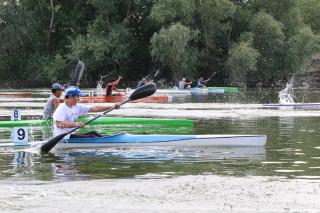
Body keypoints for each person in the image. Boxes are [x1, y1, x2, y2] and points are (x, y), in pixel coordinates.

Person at [52, 86, 120, 138]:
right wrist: (76, 124)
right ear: (70, 96)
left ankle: (107, 142)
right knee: (92, 137)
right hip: (63, 137)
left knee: (94, 133)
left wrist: (112, 106)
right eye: (77, 96)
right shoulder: (61, 108)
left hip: (71, 134)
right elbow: (59, 124)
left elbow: (95, 108)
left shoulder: (76, 106)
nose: (79, 99)